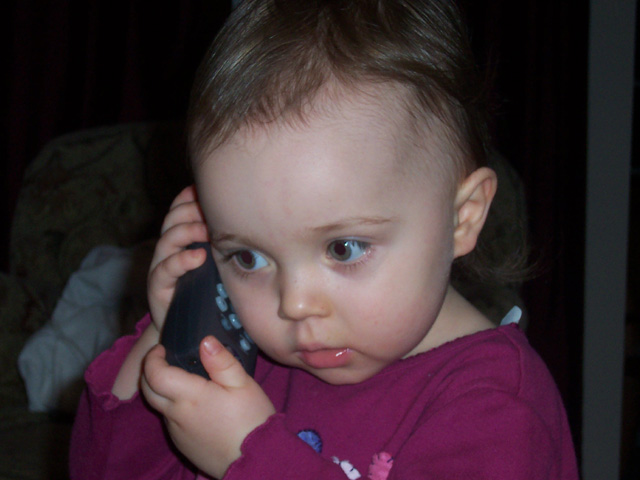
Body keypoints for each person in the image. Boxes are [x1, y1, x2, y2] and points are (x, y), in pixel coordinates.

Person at [69, 1, 579, 478]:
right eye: (247, 257)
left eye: (343, 248)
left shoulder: (496, 408)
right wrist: (168, 337)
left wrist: (249, 458)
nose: (294, 305)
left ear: (462, 218)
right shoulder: (252, 365)